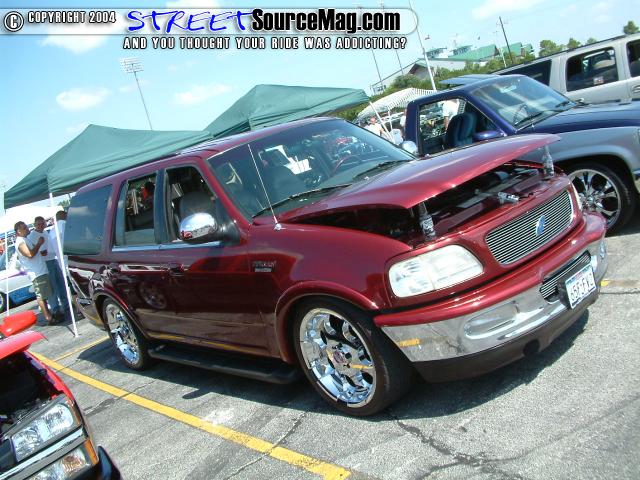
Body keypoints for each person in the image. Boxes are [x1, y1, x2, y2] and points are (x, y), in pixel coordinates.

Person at [14, 221, 56, 324]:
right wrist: (39, 243)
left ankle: (50, 314)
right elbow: (29, 254)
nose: (27, 229)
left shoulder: (25, 239)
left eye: (26, 227)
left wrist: (40, 252)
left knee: (45, 294)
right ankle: (48, 317)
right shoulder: (20, 242)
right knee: (41, 296)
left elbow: (33, 253)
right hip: (36, 272)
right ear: (18, 231)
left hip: (40, 270)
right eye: (24, 228)